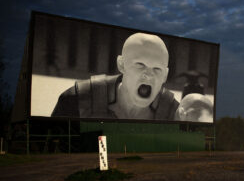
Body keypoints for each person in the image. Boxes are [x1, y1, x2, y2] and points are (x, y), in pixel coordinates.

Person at [51, 33, 179, 120]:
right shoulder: (77, 100)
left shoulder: (174, 113)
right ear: (121, 64)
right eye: (140, 65)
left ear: (165, 76)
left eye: (157, 69)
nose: (149, 75)